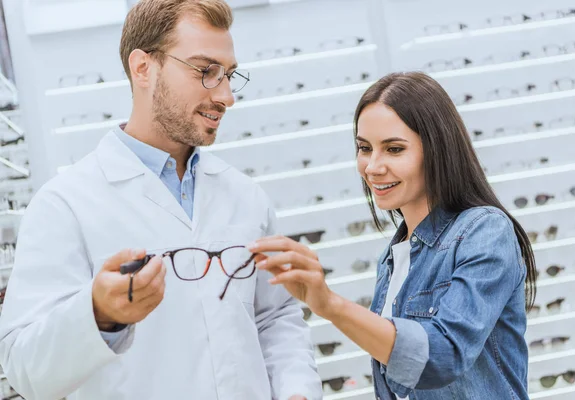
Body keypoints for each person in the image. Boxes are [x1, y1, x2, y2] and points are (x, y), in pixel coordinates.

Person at [0, 1, 320, 399]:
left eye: (229, 75)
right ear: (143, 68)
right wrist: (99, 315)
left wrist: (296, 390)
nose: (226, 96)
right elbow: (25, 370)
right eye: (206, 72)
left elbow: (275, 317)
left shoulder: (244, 196)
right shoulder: (64, 205)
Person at [248, 72, 537, 400]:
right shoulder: (392, 258)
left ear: (438, 150)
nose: (372, 166)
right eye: (364, 148)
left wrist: (329, 304)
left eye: (394, 149)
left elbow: (441, 357)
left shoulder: (484, 231)